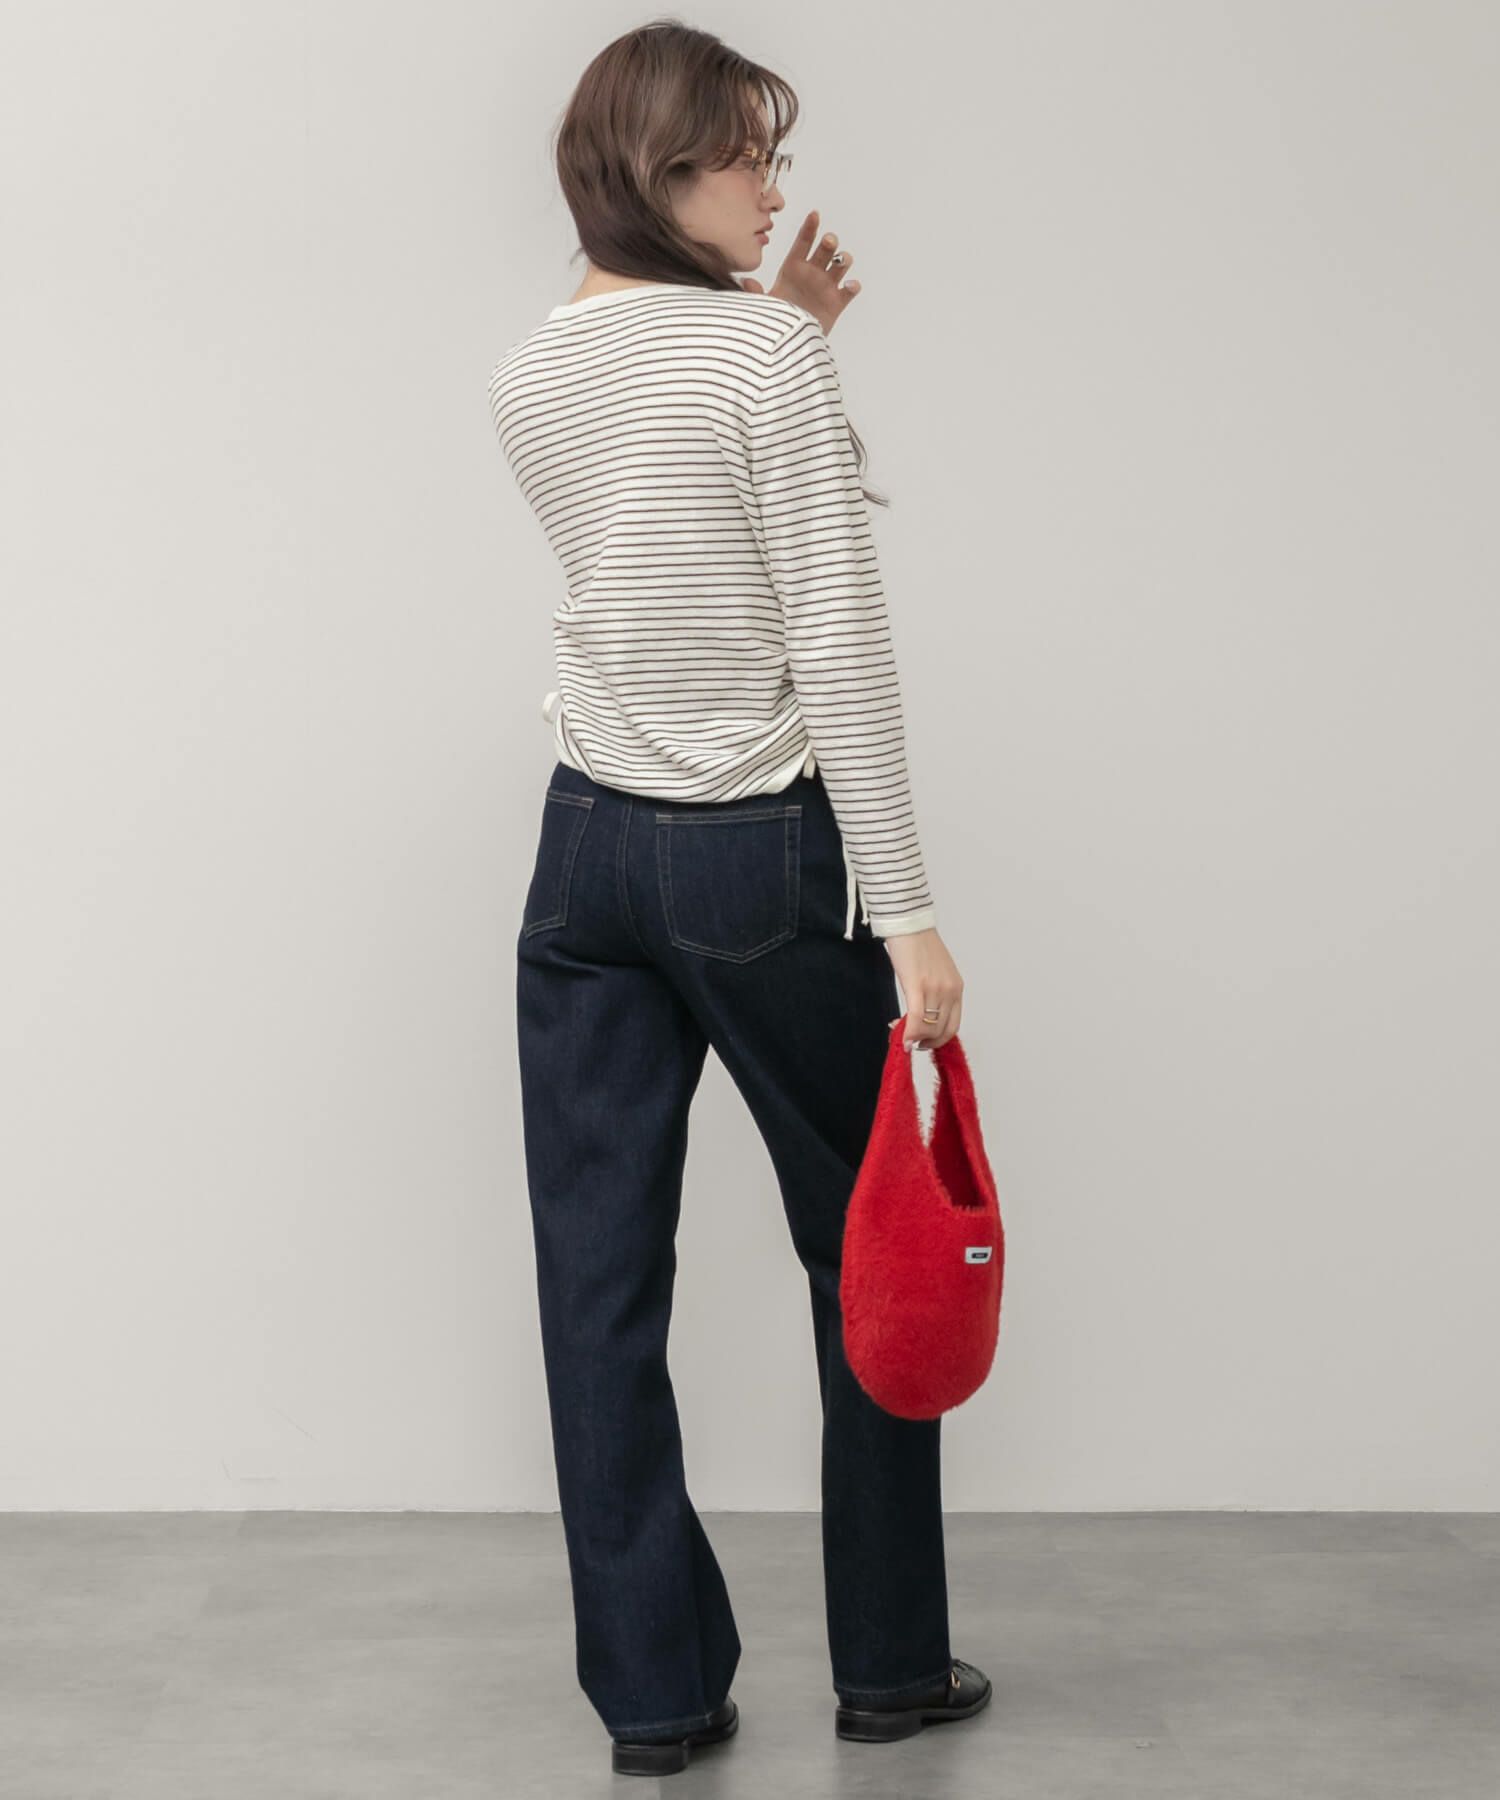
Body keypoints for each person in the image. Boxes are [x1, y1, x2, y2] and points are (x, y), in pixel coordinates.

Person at [486, 20, 989, 1777]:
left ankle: (654, 1700)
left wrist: (790, 337)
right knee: (869, 1257)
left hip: (584, 854)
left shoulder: (530, 372)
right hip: (753, 855)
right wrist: (907, 908)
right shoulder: (759, 355)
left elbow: (660, 532)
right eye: (744, 157)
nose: (774, 189)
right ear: (656, 170)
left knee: (596, 1286)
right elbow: (825, 631)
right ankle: (890, 1664)